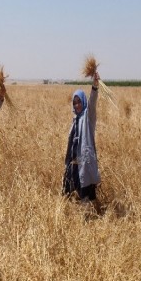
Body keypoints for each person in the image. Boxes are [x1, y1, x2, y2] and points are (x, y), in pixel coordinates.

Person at [62, 72, 100, 206]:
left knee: (86, 196)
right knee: (69, 194)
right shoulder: (75, 119)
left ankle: (88, 220)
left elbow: (92, 104)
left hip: (84, 163)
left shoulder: (88, 116)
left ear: (83, 101)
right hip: (73, 164)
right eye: (75, 102)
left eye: (79, 102)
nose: (77, 105)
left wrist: (94, 87)